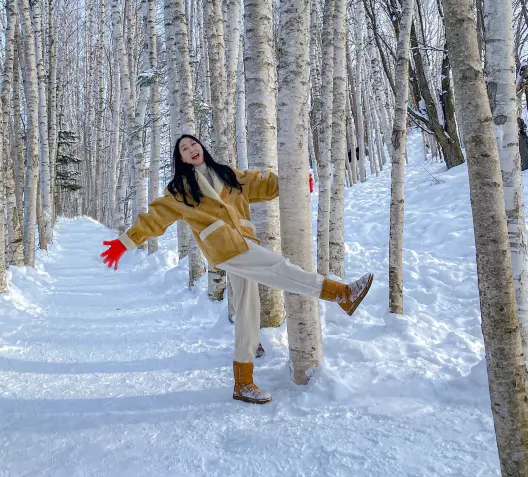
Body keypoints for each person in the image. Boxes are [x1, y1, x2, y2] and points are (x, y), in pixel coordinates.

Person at [101, 134, 373, 405]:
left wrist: (295, 185)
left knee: (247, 309)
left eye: (193, 144)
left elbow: (259, 184)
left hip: (244, 240)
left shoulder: (227, 174)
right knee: (278, 268)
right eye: (184, 149)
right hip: (224, 247)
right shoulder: (179, 190)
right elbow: (155, 218)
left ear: (201, 147)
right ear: (181, 159)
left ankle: (243, 383)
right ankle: (340, 293)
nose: (191, 149)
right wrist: (124, 243)